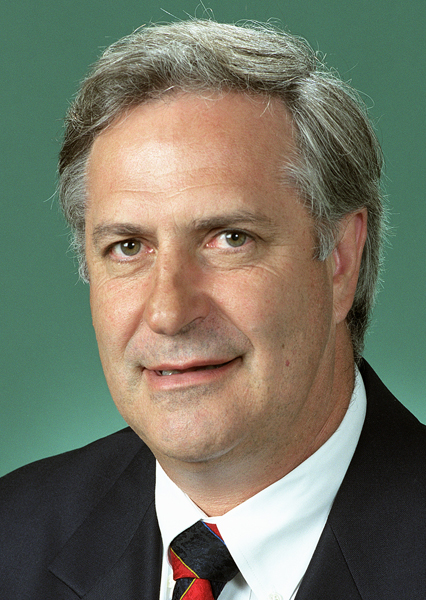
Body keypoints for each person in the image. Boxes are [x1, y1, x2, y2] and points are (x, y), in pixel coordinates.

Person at [1, 19, 425, 600]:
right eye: (129, 247)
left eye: (230, 239)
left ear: (339, 261)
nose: (169, 313)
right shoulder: (12, 539)